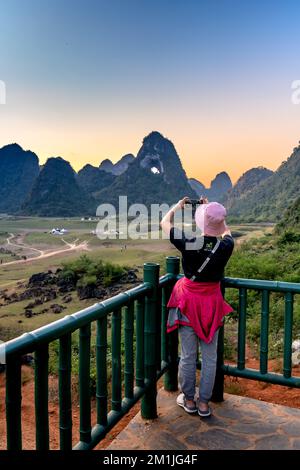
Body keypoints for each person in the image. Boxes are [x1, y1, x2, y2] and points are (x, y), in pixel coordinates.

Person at [160, 196, 234, 418]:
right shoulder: (226, 245)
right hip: (211, 305)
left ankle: (189, 400)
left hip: (189, 304)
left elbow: (164, 222)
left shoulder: (190, 241)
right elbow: (226, 231)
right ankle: (204, 404)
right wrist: (211, 211)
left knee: (188, 355)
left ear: (201, 222)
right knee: (210, 358)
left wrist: (178, 206)